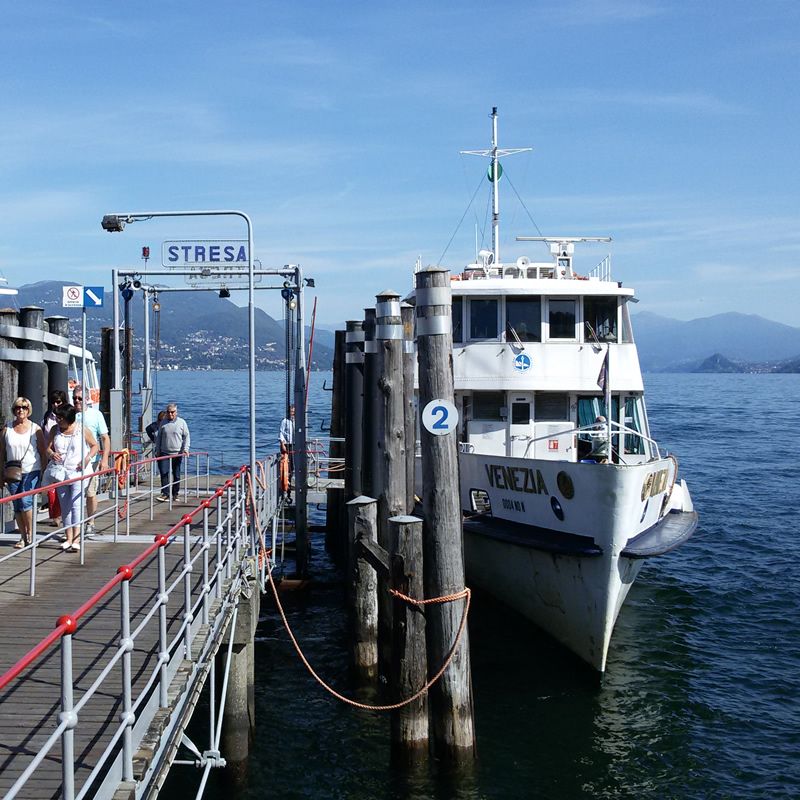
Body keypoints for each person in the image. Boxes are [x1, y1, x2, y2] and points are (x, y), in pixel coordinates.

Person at [47, 404, 98, 552]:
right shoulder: (54, 430)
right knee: (65, 506)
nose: (57, 420)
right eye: (57, 417)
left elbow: (95, 445)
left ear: (68, 418)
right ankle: (68, 537)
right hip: (61, 472)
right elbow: (47, 448)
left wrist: (88, 458)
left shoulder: (81, 429)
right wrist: (51, 454)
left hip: (78, 472)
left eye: (60, 418)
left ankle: (77, 538)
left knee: (76, 504)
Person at [1, 397, 47, 548]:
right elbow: (1, 453)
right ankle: (22, 536)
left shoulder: (36, 429)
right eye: (18, 408)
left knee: (26, 502)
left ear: (29, 410)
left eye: (24, 407)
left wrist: (44, 473)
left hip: (31, 469)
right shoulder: (7, 428)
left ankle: (31, 534)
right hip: (12, 471)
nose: (21, 410)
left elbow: (42, 451)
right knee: (17, 505)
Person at [73, 386, 110, 537]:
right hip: (73, 462)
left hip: (91, 461)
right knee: (72, 494)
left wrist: (105, 459)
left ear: (86, 399)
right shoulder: (70, 414)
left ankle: (90, 522)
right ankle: (73, 526)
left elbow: (105, 438)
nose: (77, 401)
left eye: (80, 398)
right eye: (75, 398)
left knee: (90, 492)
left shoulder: (96, 415)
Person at [42, 389, 68, 527]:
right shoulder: (47, 416)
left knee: (62, 489)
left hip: (65, 459)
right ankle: (56, 515)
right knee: (50, 489)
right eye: (53, 402)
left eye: (58, 401)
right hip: (51, 456)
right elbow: (45, 437)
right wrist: (48, 453)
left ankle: (62, 516)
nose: (55, 405)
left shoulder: (68, 417)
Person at [155, 403, 190, 502]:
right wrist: (158, 451)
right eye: (168, 412)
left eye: (172, 412)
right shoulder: (163, 423)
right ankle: (165, 493)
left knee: (176, 474)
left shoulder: (182, 422)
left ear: (176, 412)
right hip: (164, 452)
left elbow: (186, 436)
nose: (170, 414)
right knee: (164, 473)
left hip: (177, 452)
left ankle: (175, 494)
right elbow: (159, 438)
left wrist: (186, 449)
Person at [279, 405, 295, 503]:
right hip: (287, 444)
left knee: (292, 466)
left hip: (295, 444)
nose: (292, 413)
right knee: (286, 465)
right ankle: (285, 485)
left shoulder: (296, 421)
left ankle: (289, 481)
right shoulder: (285, 421)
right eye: (291, 411)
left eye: (294, 411)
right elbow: (281, 433)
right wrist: (282, 444)